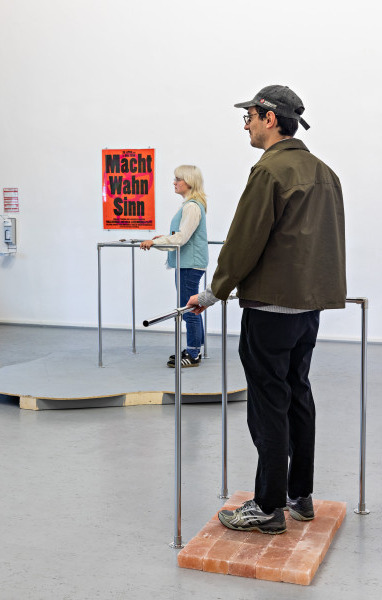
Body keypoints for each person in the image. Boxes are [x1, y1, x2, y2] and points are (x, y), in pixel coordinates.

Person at [187, 85, 346, 534]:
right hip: (307, 308)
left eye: (250, 117)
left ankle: (268, 506)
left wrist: (213, 292)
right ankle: (301, 496)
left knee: (268, 404)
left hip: (271, 308)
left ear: (269, 117)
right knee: (298, 394)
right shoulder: (324, 172)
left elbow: (244, 241)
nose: (247, 125)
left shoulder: (269, 171)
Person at [140, 165, 208, 367]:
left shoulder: (192, 206)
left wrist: (156, 243)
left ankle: (194, 354)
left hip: (189, 265)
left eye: (178, 179)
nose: (174, 182)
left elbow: (182, 238)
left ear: (189, 181)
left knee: (188, 308)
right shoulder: (191, 205)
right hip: (189, 263)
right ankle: (194, 349)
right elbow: (182, 236)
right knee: (191, 306)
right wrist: (164, 238)